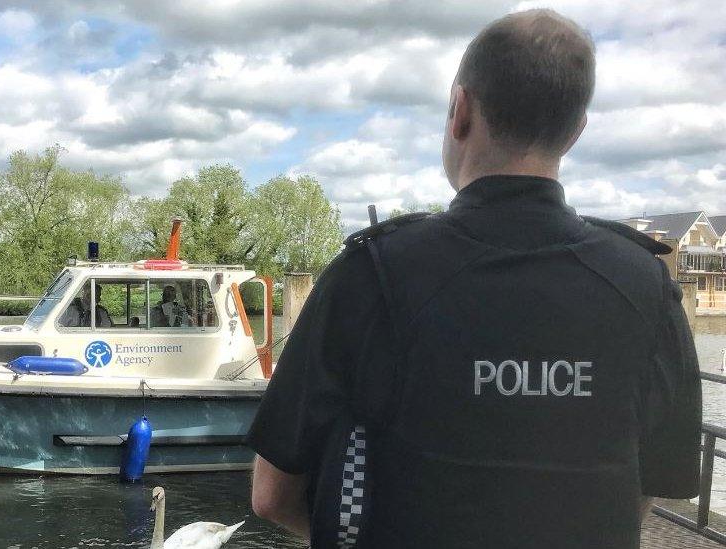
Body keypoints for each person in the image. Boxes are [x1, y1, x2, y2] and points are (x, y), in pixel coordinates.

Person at [247, 9, 700, 549]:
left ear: (460, 111)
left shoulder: (370, 274)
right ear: (575, 132)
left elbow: (271, 496)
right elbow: (655, 484)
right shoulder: (646, 285)